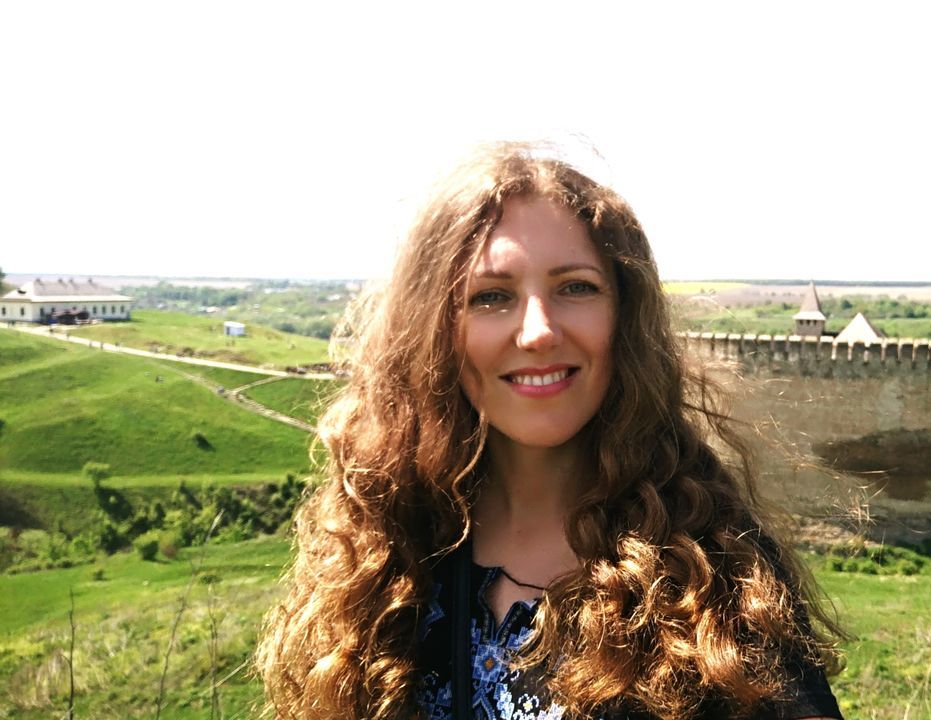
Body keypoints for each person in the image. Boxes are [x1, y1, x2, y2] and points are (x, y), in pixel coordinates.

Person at [256, 143, 844, 720]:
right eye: (490, 296)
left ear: (624, 315)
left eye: (576, 287)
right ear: (435, 333)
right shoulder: (386, 553)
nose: (538, 331)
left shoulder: (713, 575)